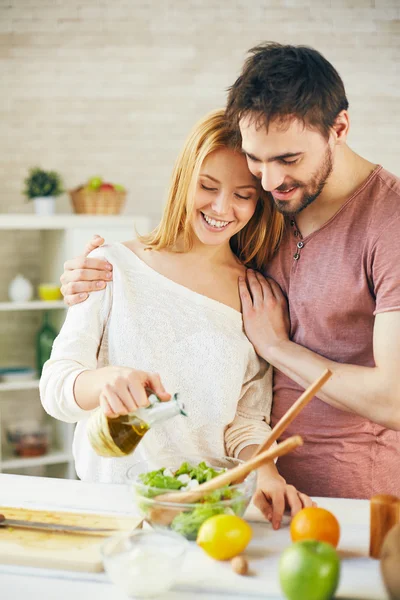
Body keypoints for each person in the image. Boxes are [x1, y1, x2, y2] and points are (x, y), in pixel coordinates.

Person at [62, 42, 400, 501]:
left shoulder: (388, 222)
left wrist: (276, 347)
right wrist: (86, 278)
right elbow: (183, 268)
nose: (269, 180)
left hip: (352, 492)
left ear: (338, 128)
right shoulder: (268, 213)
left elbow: (393, 397)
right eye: (257, 160)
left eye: (287, 159)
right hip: (246, 494)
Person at [41, 109, 313, 529]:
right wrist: (103, 383)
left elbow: (245, 419)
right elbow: (55, 388)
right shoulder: (111, 265)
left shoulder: (258, 297)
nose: (223, 207)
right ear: (183, 179)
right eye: (207, 186)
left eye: (243, 195)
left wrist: (265, 470)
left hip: (204, 513)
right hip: (109, 508)